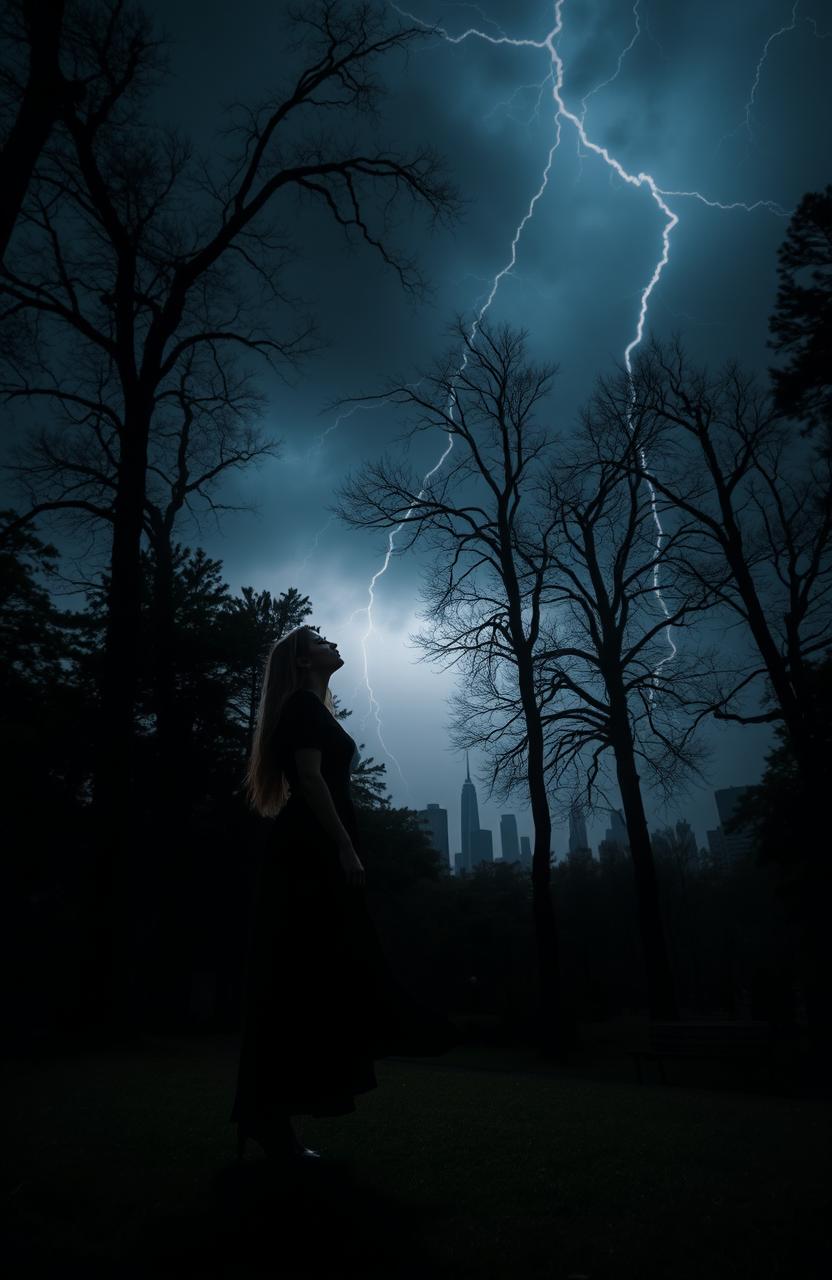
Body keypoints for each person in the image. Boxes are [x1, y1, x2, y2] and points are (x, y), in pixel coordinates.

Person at [230, 625, 460, 1165]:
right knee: (308, 974)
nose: (334, 642)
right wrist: (344, 847)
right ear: (303, 661)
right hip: (310, 853)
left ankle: (272, 1116)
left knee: (314, 976)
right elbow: (310, 780)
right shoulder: (302, 710)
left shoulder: (313, 709)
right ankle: (273, 1115)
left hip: (315, 851)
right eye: (320, 640)